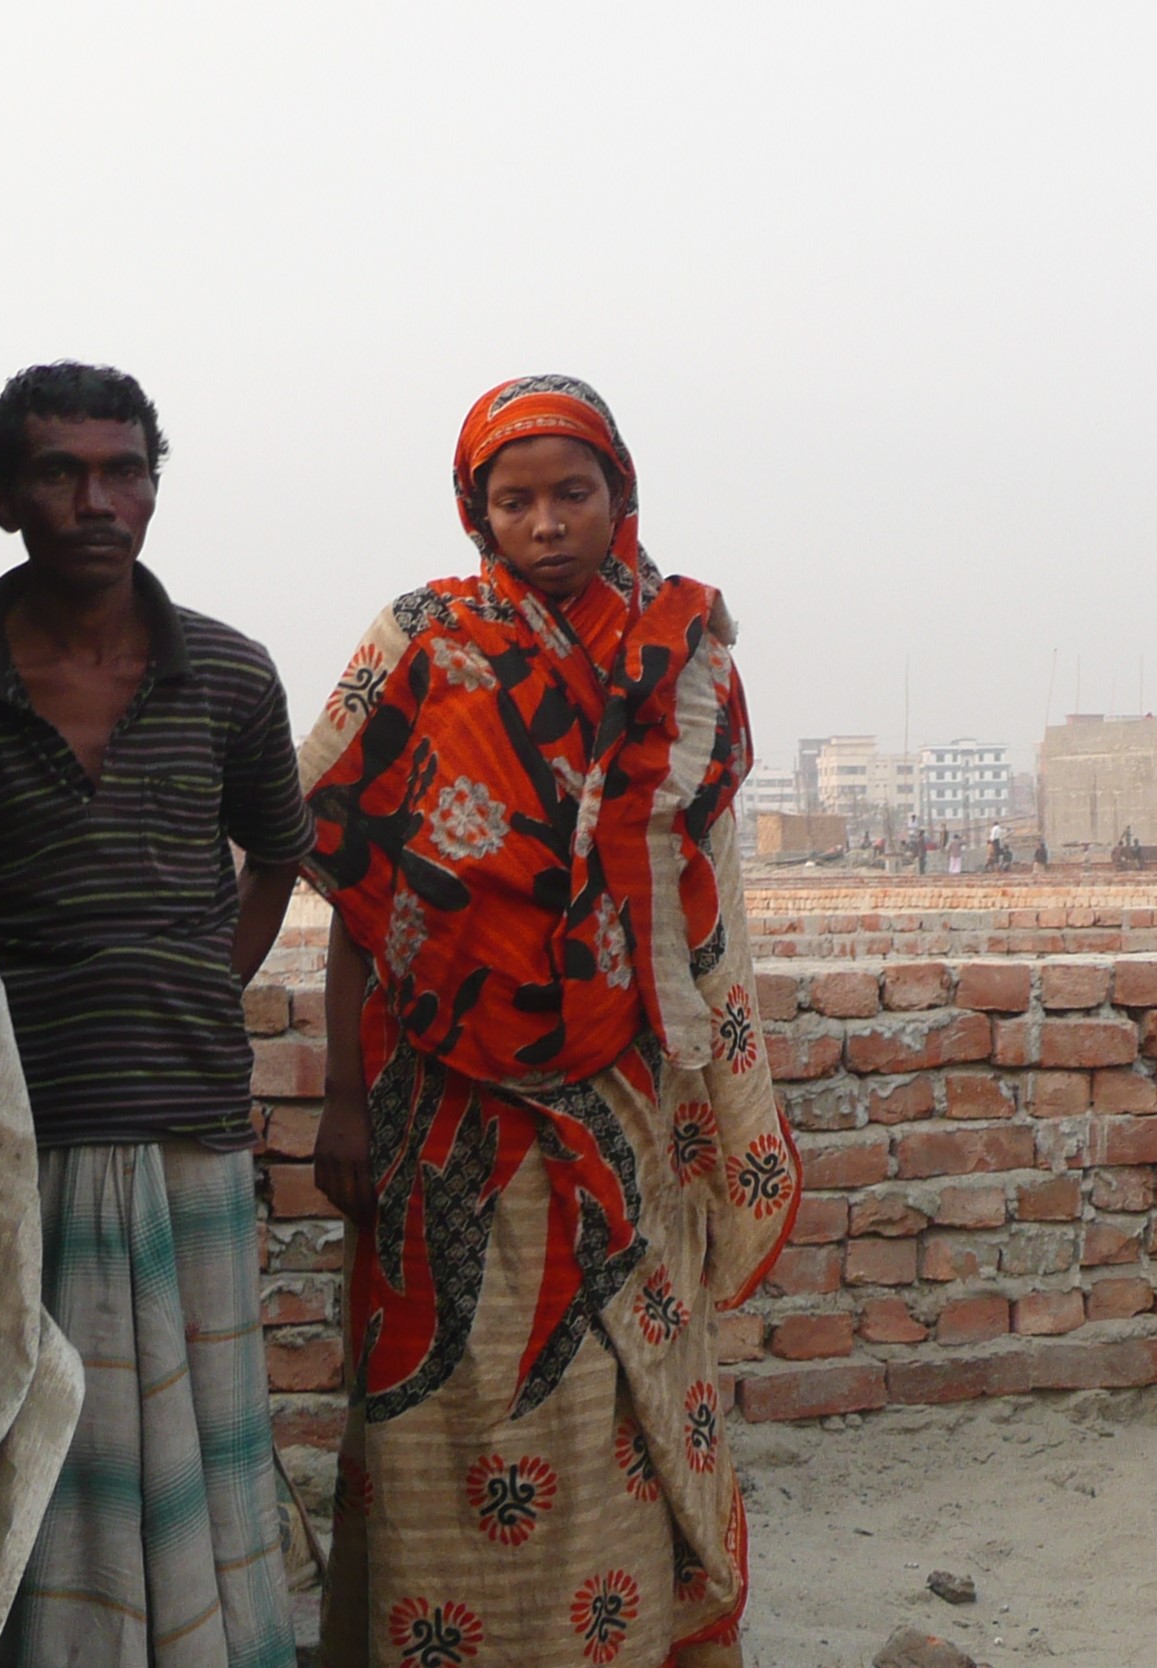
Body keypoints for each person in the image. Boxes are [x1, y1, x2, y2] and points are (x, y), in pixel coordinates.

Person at [299, 376, 794, 1668]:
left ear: (621, 497)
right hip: (436, 1112)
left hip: (625, 1102)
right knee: (448, 1401)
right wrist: (343, 1100)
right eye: (512, 499)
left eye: (572, 493)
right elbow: (355, 882)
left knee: (614, 1399)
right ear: (476, 512)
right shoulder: (421, 642)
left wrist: (709, 1099)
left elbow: (705, 901)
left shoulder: (682, 656)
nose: (546, 523)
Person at [0, 362, 307, 1667]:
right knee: (55, 1447)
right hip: (26, 1145)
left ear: (153, 485)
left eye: (123, 471)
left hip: (193, 1123)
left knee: (204, 1441)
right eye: (61, 473)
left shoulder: (235, 679)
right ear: (5, 496)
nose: (97, 501)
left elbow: (277, 855)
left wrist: (199, 984)